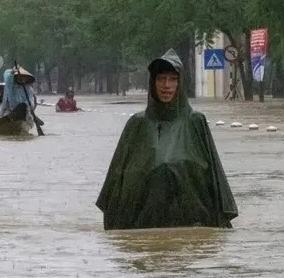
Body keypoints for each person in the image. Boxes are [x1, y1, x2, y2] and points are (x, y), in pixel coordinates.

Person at [95, 49, 238, 230]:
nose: (166, 85)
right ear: (153, 83)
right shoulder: (137, 125)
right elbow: (115, 185)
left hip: (191, 229)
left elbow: (215, 182)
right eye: (161, 79)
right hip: (143, 228)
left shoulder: (195, 123)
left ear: (180, 84)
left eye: (172, 79)